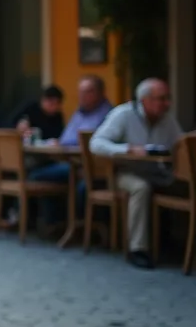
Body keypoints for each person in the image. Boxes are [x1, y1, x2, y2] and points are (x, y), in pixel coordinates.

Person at [89, 78, 185, 269]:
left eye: (168, 98)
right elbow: (96, 143)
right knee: (141, 188)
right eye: (162, 99)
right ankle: (137, 249)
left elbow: (180, 145)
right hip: (125, 172)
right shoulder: (123, 114)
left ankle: (177, 242)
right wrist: (127, 149)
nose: (167, 103)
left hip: (158, 171)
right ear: (145, 100)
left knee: (185, 186)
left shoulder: (167, 118)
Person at [27, 75, 114, 224]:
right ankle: (52, 222)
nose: (81, 96)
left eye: (87, 92)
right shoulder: (79, 113)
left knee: (37, 175)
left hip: (90, 165)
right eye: (80, 92)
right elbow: (66, 139)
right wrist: (57, 144)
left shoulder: (109, 115)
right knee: (38, 172)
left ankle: (58, 222)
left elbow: (92, 144)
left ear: (100, 93)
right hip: (69, 161)